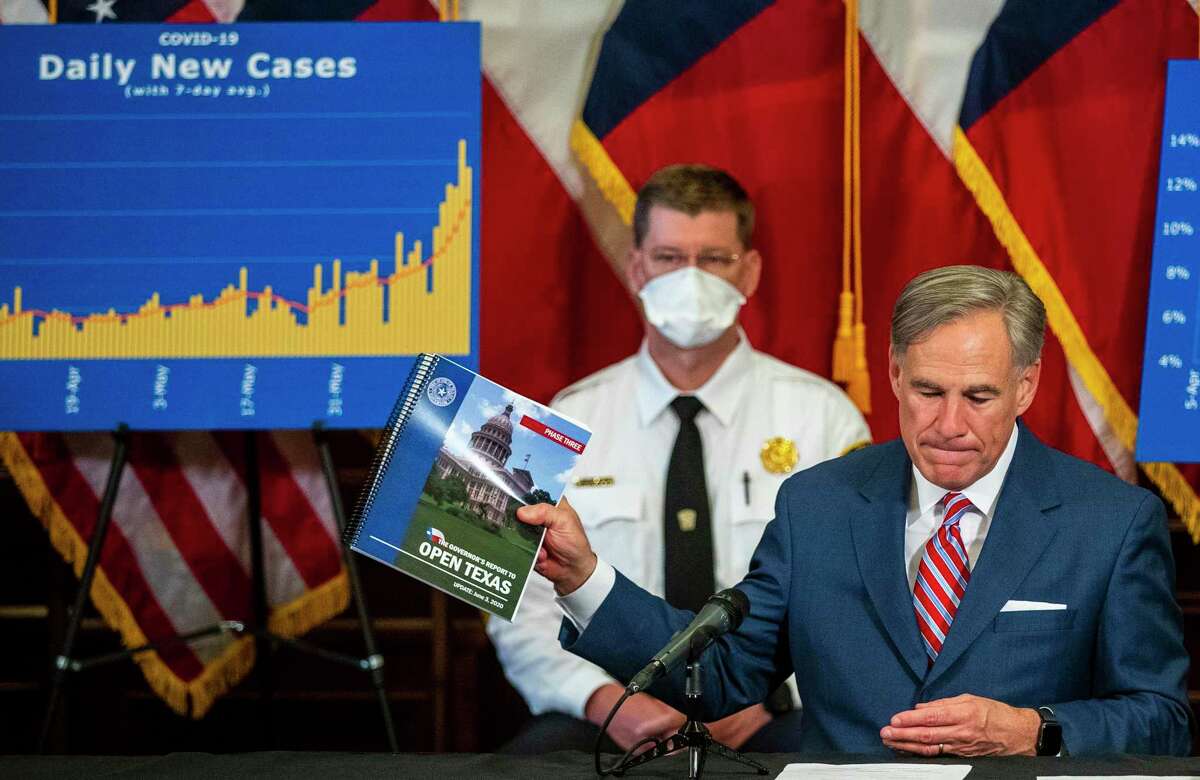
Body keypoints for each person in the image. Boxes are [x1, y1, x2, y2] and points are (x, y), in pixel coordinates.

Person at [520, 265, 1192, 756]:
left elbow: (1161, 718)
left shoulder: (1110, 521)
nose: (949, 423)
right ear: (895, 373)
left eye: (979, 397)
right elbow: (721, 676)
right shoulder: (818, 504)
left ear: (1026, 385)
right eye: (927, 390)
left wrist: (1034, 730)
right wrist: (584, 578)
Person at [486, 164, 870, 754]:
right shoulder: (569, 419)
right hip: (612, 709)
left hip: (768, 715)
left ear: (750, 271)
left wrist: (760, 699)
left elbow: (854, 598)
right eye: (669, 258)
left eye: (714, 259)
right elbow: (522, 605)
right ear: (638, 267)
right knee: (531, 765)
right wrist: (607, 702)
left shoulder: (823, 419)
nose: (690, 280)